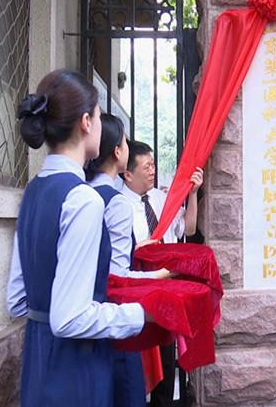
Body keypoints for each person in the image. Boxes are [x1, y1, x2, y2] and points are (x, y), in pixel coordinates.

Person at [5, 70, 153, 407]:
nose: (100, 125)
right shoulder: (83, 199)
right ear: (86, 122)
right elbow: (70, 317)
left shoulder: (33, 191)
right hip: (75, 369)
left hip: (37, 364)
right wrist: (142, 314)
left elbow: (17, 300)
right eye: (99, 116)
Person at [86, 114, 174, 407]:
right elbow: (117, 276)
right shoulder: (117, 203)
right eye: (124, 141)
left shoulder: (75, 193)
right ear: (116, 152)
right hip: (113, 314)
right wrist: (158, 276)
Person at [121, 139, 203, 407]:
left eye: (153, 164)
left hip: (166, 291)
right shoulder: (119, 205)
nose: (152, 171)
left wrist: (193, 194)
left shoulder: (162, 199)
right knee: (140, 360)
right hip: (138, 292)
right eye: (146, 166)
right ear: (128, 174)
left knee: (167, 360)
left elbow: (188, 229)